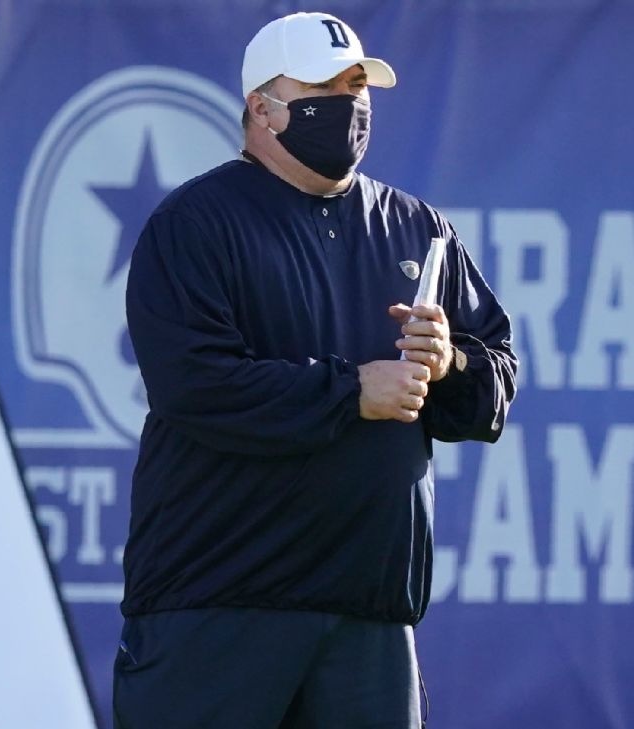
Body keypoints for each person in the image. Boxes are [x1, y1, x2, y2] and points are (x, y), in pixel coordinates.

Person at [114, 11, 517, 729]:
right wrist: (353, 390)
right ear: (261, 109)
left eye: (359, 86)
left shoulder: (419, 229)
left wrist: (448, 361)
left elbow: (492, 382)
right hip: (218, 606)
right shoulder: (195, 224)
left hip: (368, 614)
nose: (350, 106)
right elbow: (195, 385)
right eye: (326, 88)